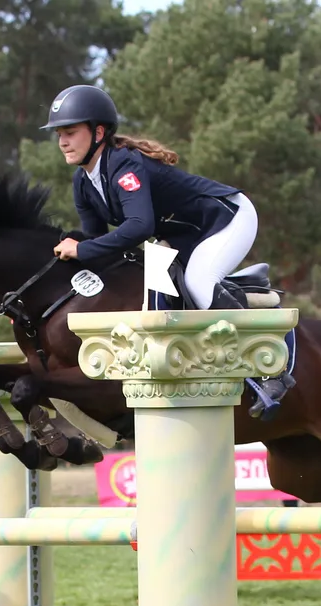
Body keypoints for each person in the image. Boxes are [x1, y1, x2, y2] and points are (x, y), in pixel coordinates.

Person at [42, 85, 289, 414]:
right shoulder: (83, 182)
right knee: (155, 288)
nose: (62, 141)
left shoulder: (124, 167)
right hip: (184, 232)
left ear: (98, 132)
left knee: (199, 282)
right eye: (59, 134)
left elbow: (139, 226)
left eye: (70, 132)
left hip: (226, 217)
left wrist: (82, 250)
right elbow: (97, 245)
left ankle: (272, 371)